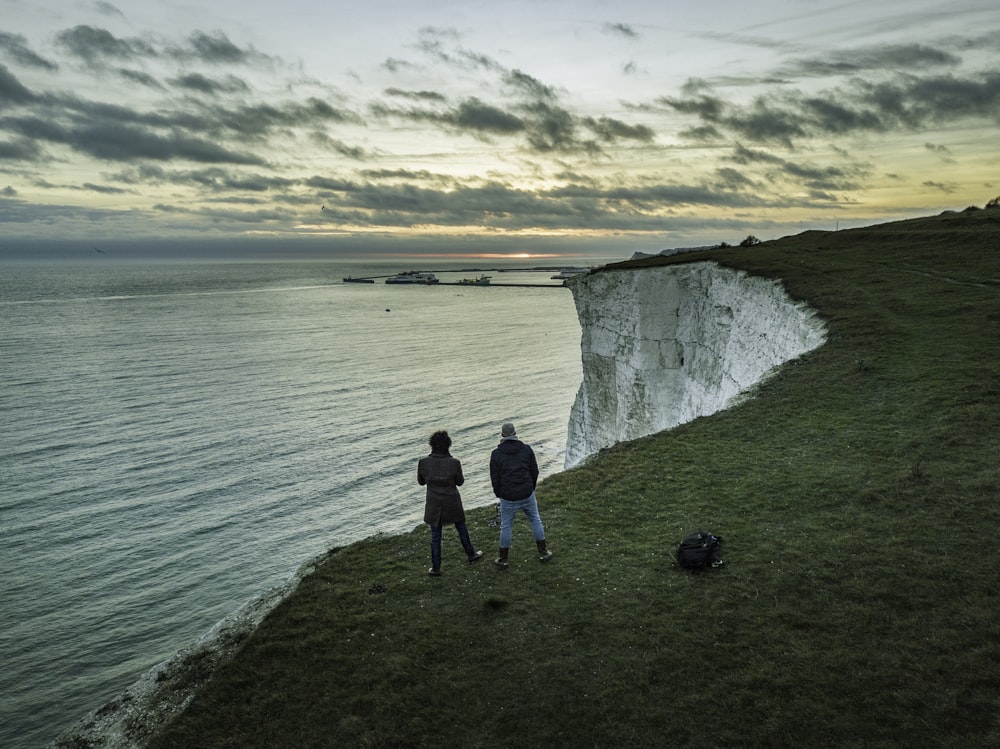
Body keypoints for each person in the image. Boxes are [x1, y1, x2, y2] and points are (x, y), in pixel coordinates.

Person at [417, 430, 483, 576]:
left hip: (434, 504)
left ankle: (436, 568)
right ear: (448, 445)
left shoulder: (423, 463)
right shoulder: (454, 463)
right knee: (461, 528)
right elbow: (460, 482)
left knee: (435, 536)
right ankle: (471, 554)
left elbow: (421, 482)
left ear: (431, 445)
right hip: (452, 501)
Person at [489, 422, 553, 567]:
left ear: (502, 435)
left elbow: (495, 477)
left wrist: (499, 493)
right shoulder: (526, 449)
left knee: (506, 526)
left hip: (508, 496)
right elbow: (534, 471)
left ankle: (503, 558)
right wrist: (531, 488)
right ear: (515, 433)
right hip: (526, 493)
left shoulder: (496, 454)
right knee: (535, 520)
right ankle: (543, 551)